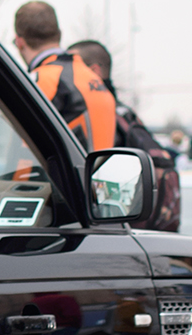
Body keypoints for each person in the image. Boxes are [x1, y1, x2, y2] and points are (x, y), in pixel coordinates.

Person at [66, 38, 183, 231]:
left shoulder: (104, 121)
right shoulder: (126, 117)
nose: (68, 76)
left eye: (74, 69)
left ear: (95, 72)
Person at [12, 1, 118, 152]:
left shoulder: (40, 81)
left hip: (61, 176)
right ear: (59, 34)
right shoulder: (93, 79)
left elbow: (24, 156)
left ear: (20, 42)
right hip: (95, 174)